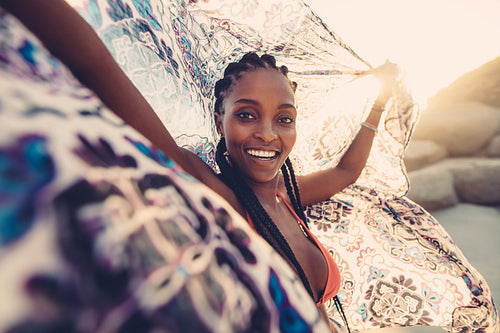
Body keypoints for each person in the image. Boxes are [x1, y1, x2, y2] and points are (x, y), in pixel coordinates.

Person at [1, 0, 397, 331]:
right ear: (220, 122)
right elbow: (94, 65)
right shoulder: (217, 194)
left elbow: (347, 173)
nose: (268, 134)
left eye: (284, 119)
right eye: (246, 115)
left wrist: (380, 101)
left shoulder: (288, 196)